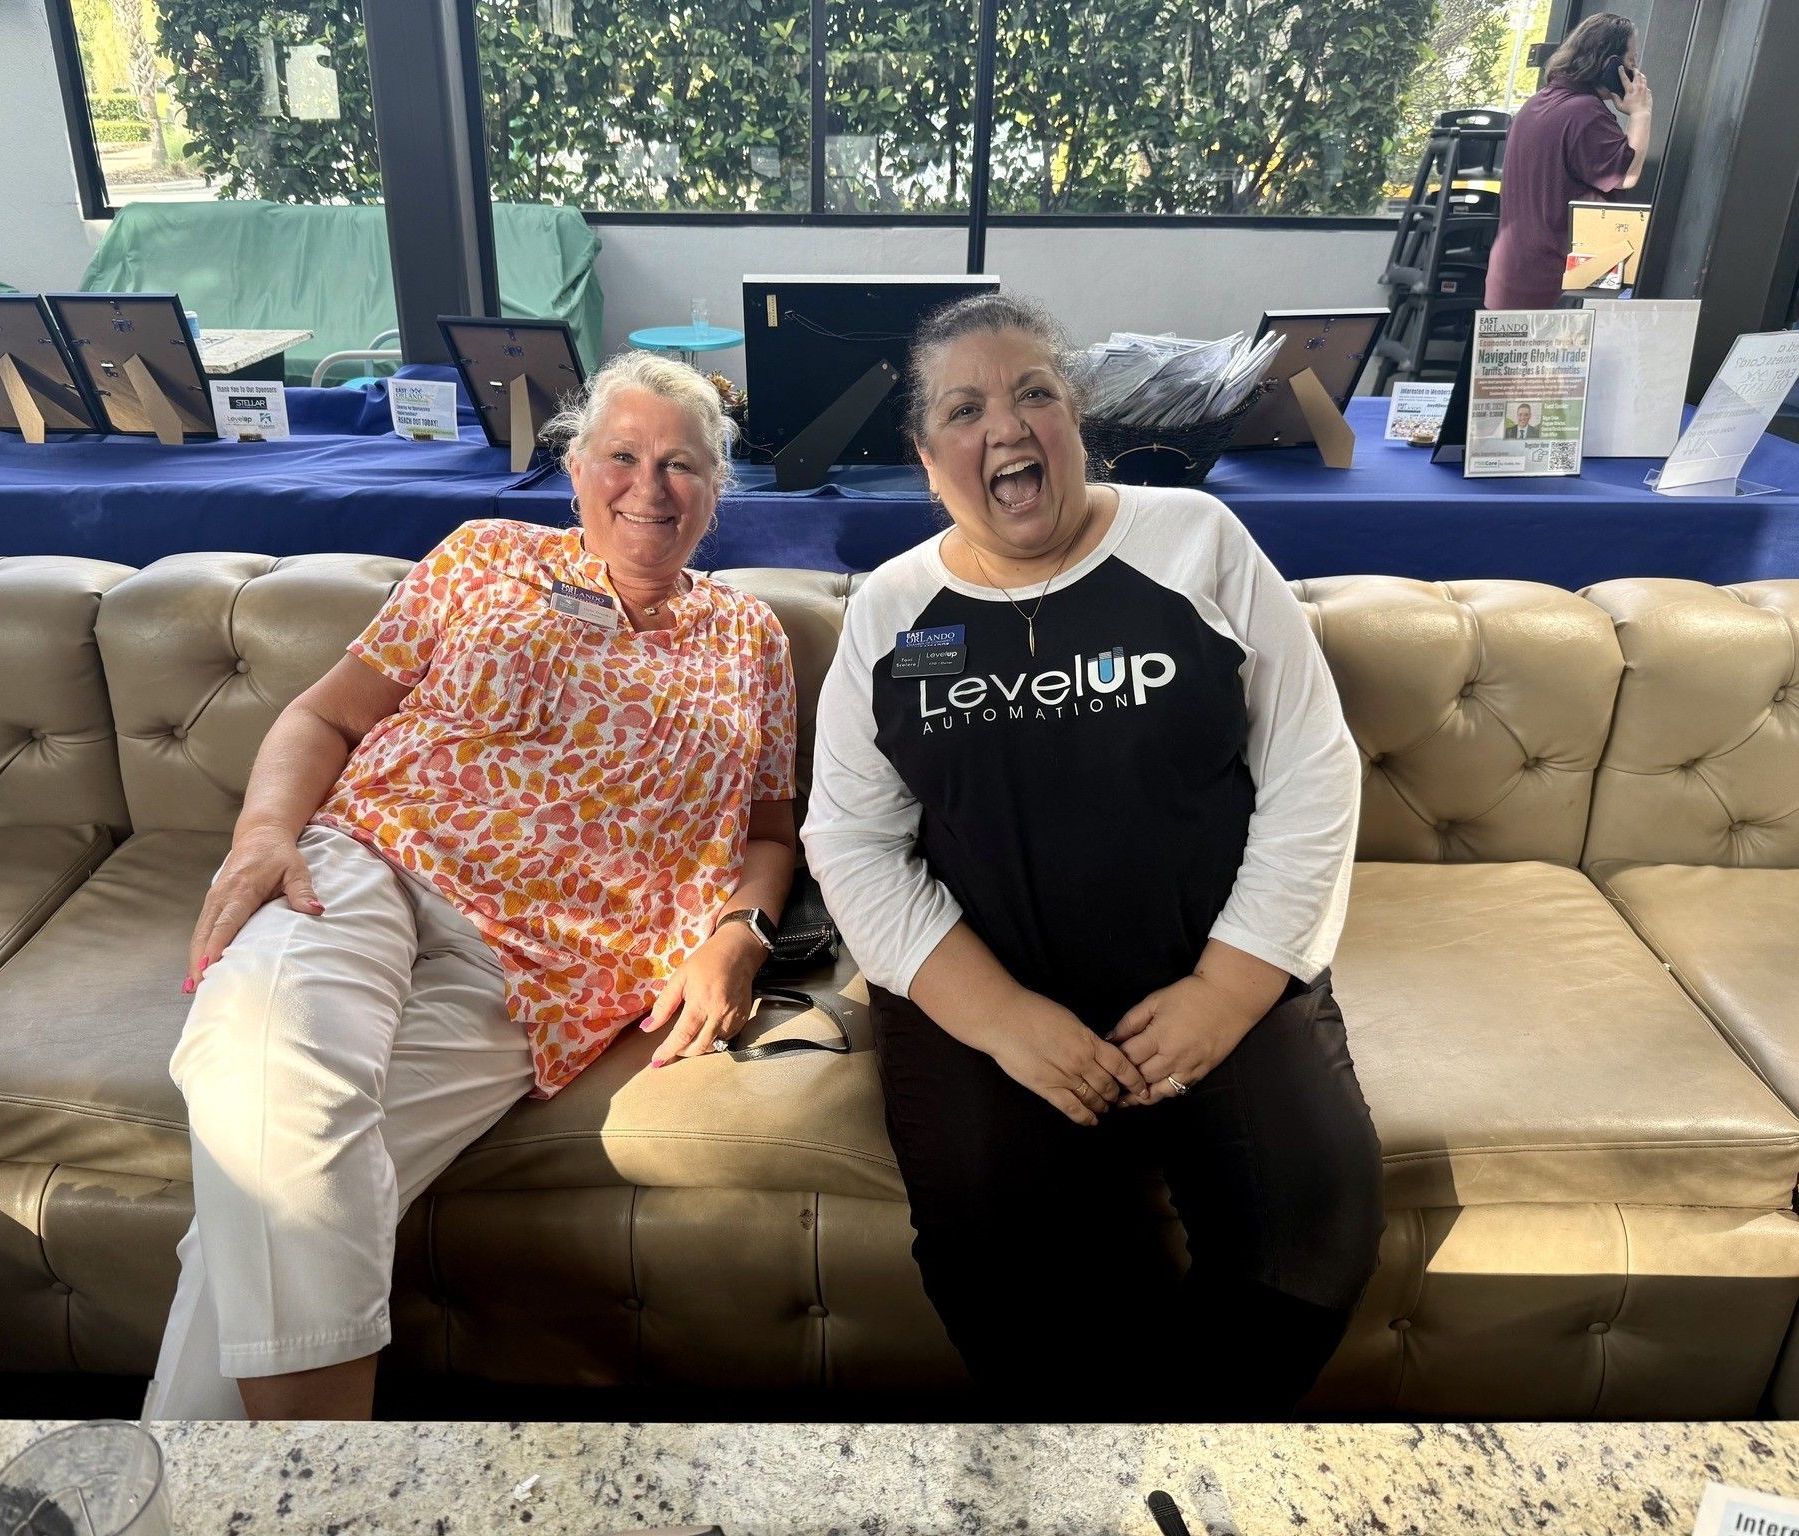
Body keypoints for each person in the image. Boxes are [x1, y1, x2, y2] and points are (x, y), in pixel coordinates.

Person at [144, 351, 798, 1421]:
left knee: (270, 1186)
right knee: (260, 1057)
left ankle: (202, 1501)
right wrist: (263, 832)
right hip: (370, 866)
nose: (651, 487)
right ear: (578, 470)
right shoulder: (487, 555)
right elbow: (324, 716)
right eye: (623, 456)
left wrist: (741, 932)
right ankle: (314, 1493)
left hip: (543, 977)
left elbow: (771, 830)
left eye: (682, 465)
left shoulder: (751, 637)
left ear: (716, 494)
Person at [802, 293, 1384, 1417]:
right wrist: (1003, 1020)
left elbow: (1314, 768)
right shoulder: (891, 612)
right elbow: (854, 842)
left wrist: (1229, 985)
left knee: (1311, 1233)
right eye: (966, 410)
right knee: (998, 1264)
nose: (1007, 428)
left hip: (1212, 968)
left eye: (1036, 395)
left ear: (1078, 425)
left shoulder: (1196, 541)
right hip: (988, 993)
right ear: (930, 465)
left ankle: (1165, 1473)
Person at [1486, 12, 1652, 310]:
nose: (1635, 70)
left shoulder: (1535, 104)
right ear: (1610, 64)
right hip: (1554, 287)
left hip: (1511, 276)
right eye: (1631, 60)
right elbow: (1627, 175)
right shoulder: (1584, 113)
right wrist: (1641, 114)